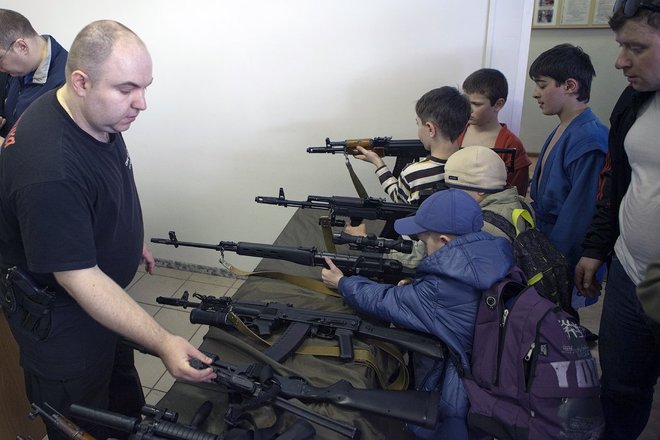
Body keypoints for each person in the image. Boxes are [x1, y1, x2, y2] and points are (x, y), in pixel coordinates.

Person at [0, 20, 215, 440]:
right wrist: (163, 341)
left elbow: (108, 182)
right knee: (83, 420)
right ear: (81, 82)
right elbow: (78, 278)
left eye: (145, 87)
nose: (141, 103)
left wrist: (128, 237)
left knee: (121, 401)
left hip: (103, 304)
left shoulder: (95, 115)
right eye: (127, 89)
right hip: (62, 321)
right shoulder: (49, 168)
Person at [321, 189, 513, 439]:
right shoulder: (493, 250)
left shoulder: (441, 288)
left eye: (424, 242)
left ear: (444, 241)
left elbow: (384, 301)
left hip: (459, 399)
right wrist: (417, 289)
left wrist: (342, 283)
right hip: (489, 371)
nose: (422, 247)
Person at [575, 1, 660, 437]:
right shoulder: (636, 98)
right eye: (621, 45)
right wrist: (597, 246)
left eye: (636, 47)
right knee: (621, 387)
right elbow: (617, 180)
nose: (620, 61)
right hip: (630, 271)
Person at [528, 44, 608, 273]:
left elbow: (579, 214)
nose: (535, 93)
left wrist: (554, 265)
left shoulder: (589, 139)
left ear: (570, 86)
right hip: (546, 237)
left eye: (542, 85)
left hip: (565, 250)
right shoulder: (566, 127)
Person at [355, 86, 470, 204]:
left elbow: (398, 199)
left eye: (418, 123)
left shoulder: (413, 174)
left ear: (430, 129)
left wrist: (378, 163)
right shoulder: (472, 165)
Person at [457, 68, 532, 196]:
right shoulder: (454, 132)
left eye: (476, 104)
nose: (469, 109)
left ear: (498, 104)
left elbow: (516, 197)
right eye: (466, 102)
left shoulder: (511, 145)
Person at [0, 9, 67, 142]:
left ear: (22, 46)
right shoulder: (18, 68)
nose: (0, 69)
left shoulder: (65, 86)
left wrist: (4, 147)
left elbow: (48, 148)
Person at [443, 145, 531, 240]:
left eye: (455, 188)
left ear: (480, 189)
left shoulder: (482, 227)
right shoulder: (522, 203)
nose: (451, 194)